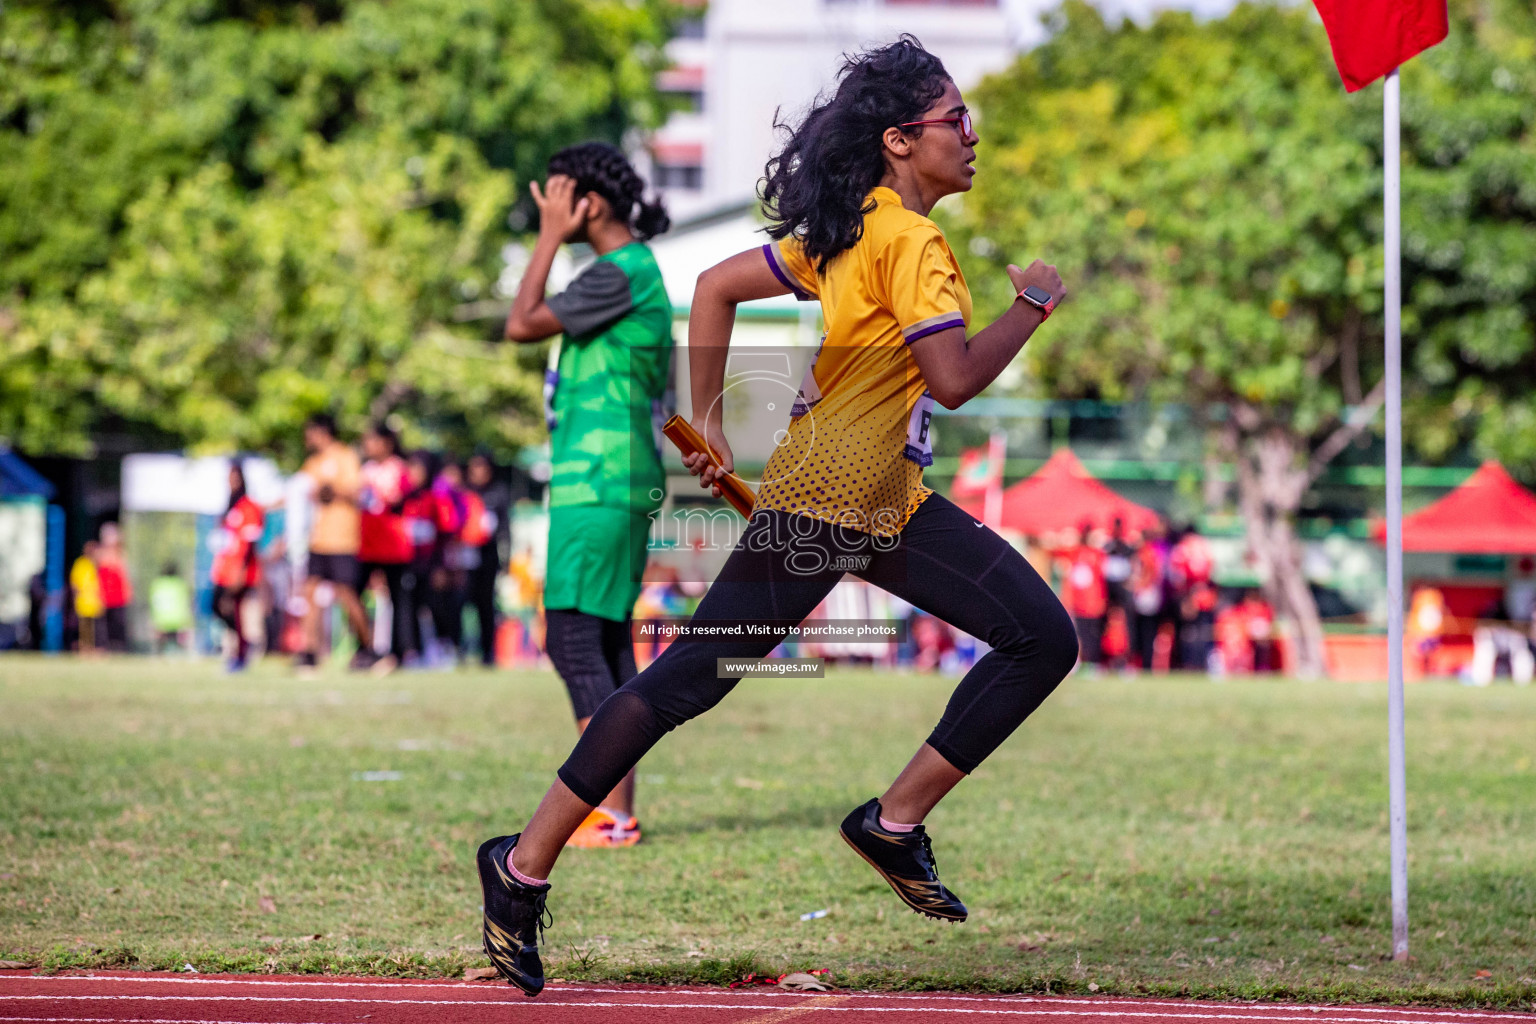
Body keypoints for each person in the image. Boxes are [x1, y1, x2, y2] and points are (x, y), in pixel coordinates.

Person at [476, 38, 1076, 997]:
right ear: (898, 140)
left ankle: (893, 823)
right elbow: (954, 381)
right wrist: (1033, 305)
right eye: (955, 119)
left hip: (882, 502)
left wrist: (705, 425)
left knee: (1041, 635)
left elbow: (714, 286)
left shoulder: (855, 224)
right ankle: (520, 869)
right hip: (828, 503)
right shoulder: (910, 241)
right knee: (683, 684)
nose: (971, 135)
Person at [500, 141, 675, 850]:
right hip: (603, 480)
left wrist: (545, 237)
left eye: (557, 197)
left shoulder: (620, 273)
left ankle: (604, 812)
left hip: (601, 481)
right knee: (597, 639)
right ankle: (614, 812)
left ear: (589, 205)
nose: (548, 209)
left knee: (573, 638)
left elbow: (521, 322)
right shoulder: (623, 274)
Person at [295, 413, 377, 675]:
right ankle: (309, 652)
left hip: (343, 540)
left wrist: (332, 490)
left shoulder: (345, 456)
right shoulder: (312, 462)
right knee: (309, 592)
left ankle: (368, 648)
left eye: (310, 432)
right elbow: (304, 492)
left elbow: (356, 492)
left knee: (347, 595)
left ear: (323, 432)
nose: (307, 438)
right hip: (317, 539)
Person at [359, 423, 412, 670]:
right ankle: (364, 648)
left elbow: (397, 498)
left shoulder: (398, 468)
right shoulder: (365, 470)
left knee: (397, 598)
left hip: (392, 546)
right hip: (367, 545)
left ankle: (398, 652)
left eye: (372, 440)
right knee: (356, 594)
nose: (368, 446)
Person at [211, 462, 266, 671]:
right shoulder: (230, 507)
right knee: (218, 606)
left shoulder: (249, 507)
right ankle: (244, 643)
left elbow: (251, 542)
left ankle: (242, 652)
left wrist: (242, 570)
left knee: (234, 608)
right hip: (225, 568)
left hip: (240, 569)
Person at [466, 453, 510, 668]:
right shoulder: (465, 492)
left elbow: (505, 529)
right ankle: (460, 648)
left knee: (486, 603)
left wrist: (507, 559)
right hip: (465, 556)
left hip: (488, 556)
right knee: (462, 601)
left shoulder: (498, 492)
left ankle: (488, 651)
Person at [97, 522, 132, 652]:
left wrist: (128, 591)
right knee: (104, 624)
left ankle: (120, 647)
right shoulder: (100, 554)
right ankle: (105, 647)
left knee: (119, 623)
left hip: (118, 596)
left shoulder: (121, 554)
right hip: (104, 595)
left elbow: (125, 575)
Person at [148, 563, 193, 654]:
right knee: (187, 632)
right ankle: (188, 654)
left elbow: (153, 604)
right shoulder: (181, 584)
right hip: (179, 622)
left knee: (156, 631)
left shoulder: (156, 584)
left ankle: (157, 654)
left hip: (161, 622)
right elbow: (187, 603)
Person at [70, 541, 104, 655]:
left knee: (94, 628)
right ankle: (85, 648)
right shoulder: (80, 564)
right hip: (83, 601)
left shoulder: (95, 565)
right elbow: (75, 583)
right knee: (84, 627)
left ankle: (92, 648)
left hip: (94, 601)